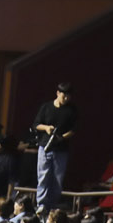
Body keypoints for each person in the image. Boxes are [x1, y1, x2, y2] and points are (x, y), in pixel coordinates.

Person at [31, 82, 77, 211]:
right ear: (57, 93)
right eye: (64, 95)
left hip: (61, 149)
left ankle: (52, 205)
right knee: (43, 176)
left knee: (57, 179)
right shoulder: (46, 107)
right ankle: (41, 204)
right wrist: (47, 128)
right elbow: (36, 124)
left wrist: (61, 137)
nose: (66, 98)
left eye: (68, 96)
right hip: (45, 146)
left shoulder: (72, 110)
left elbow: (73, 130)